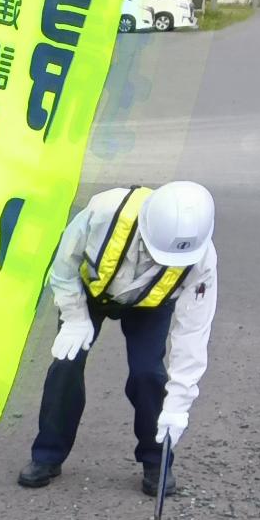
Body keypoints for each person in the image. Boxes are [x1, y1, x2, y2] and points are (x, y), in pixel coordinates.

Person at [17, 182, 217, 496]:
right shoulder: (103, 211)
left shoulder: (200, 258)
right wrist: (74, 317)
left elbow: (192, 334)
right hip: (90, 292)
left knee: (148, 373)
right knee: (66, 365)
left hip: (151, 303)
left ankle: (156, 460)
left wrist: (179, 404)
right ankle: (48, 454)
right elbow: (63, 265)